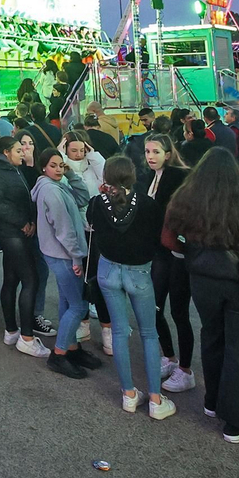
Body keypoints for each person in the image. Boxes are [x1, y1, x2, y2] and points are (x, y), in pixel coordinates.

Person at [162, 147, 239, 443]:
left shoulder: (184, 199)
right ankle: (238, 422)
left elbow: (168, 239)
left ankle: (212, 402)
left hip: (202, 280)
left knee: (212, 337)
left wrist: (187, 248)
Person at [89, 155, 176, 418]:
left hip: (108, 269)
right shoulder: (148, 204)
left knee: (119, 331)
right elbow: (159, 238)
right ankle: (155, 399)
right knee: (149, 333)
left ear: (106, 178)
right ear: (133, 176)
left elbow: (93, 227)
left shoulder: (96, 203)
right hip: (139, 271)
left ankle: (128, 394)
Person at [33, 147, 99, 376]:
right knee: (79, 305)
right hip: (63, 254)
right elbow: (64, 229)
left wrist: (71, 174)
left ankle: (71, 347)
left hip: (58, 253)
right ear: (43, 167)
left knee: (67, 301)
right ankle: (59, 354)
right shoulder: (51, 192)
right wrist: (76, 257)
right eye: (54, 165)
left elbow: (83, 198)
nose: (59, 169)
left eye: (61, 165)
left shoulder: (57, 186)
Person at [142, 134, 196, 393]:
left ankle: (185, 369)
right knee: (155, 307)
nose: (150, 156)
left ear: (168, 153)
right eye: (147, 151)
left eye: (155, 151)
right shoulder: (153, 177)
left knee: (179, 312)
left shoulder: (178, 176)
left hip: (177, 252)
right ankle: (170, 356)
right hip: (159, 252)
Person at [0, 136, 47, 357]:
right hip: (11, 233)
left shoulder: (12, 168)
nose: (23, 153)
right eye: (19, 150)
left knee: (12, 279)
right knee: (31, 279)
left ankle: (11, 330)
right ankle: (27, 337)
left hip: (15, 231)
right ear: (6, 152)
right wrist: (22, 222)